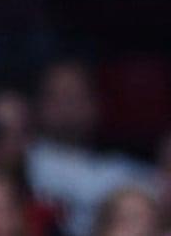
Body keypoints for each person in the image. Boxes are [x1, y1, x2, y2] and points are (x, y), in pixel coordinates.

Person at [26, 60, 154, 236]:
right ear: (39, 104)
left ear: (94, 103)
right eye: (57, 96)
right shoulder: (25, 162)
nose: (66, 105)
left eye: (74, 96)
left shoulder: (118, 168)